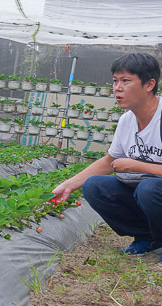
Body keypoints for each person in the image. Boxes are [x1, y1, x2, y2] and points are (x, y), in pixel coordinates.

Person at [52, 53, 162, 257]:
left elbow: (140, 171)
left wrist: (137, 166)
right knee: (95, 186)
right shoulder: (127, 120)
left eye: (126, 81)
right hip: (147, 190)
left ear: (149, 84)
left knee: (148, 188)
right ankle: (148, 237)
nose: (117, 88)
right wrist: (67, 186)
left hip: (154, 189)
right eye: (115, 81)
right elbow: (109, 161)